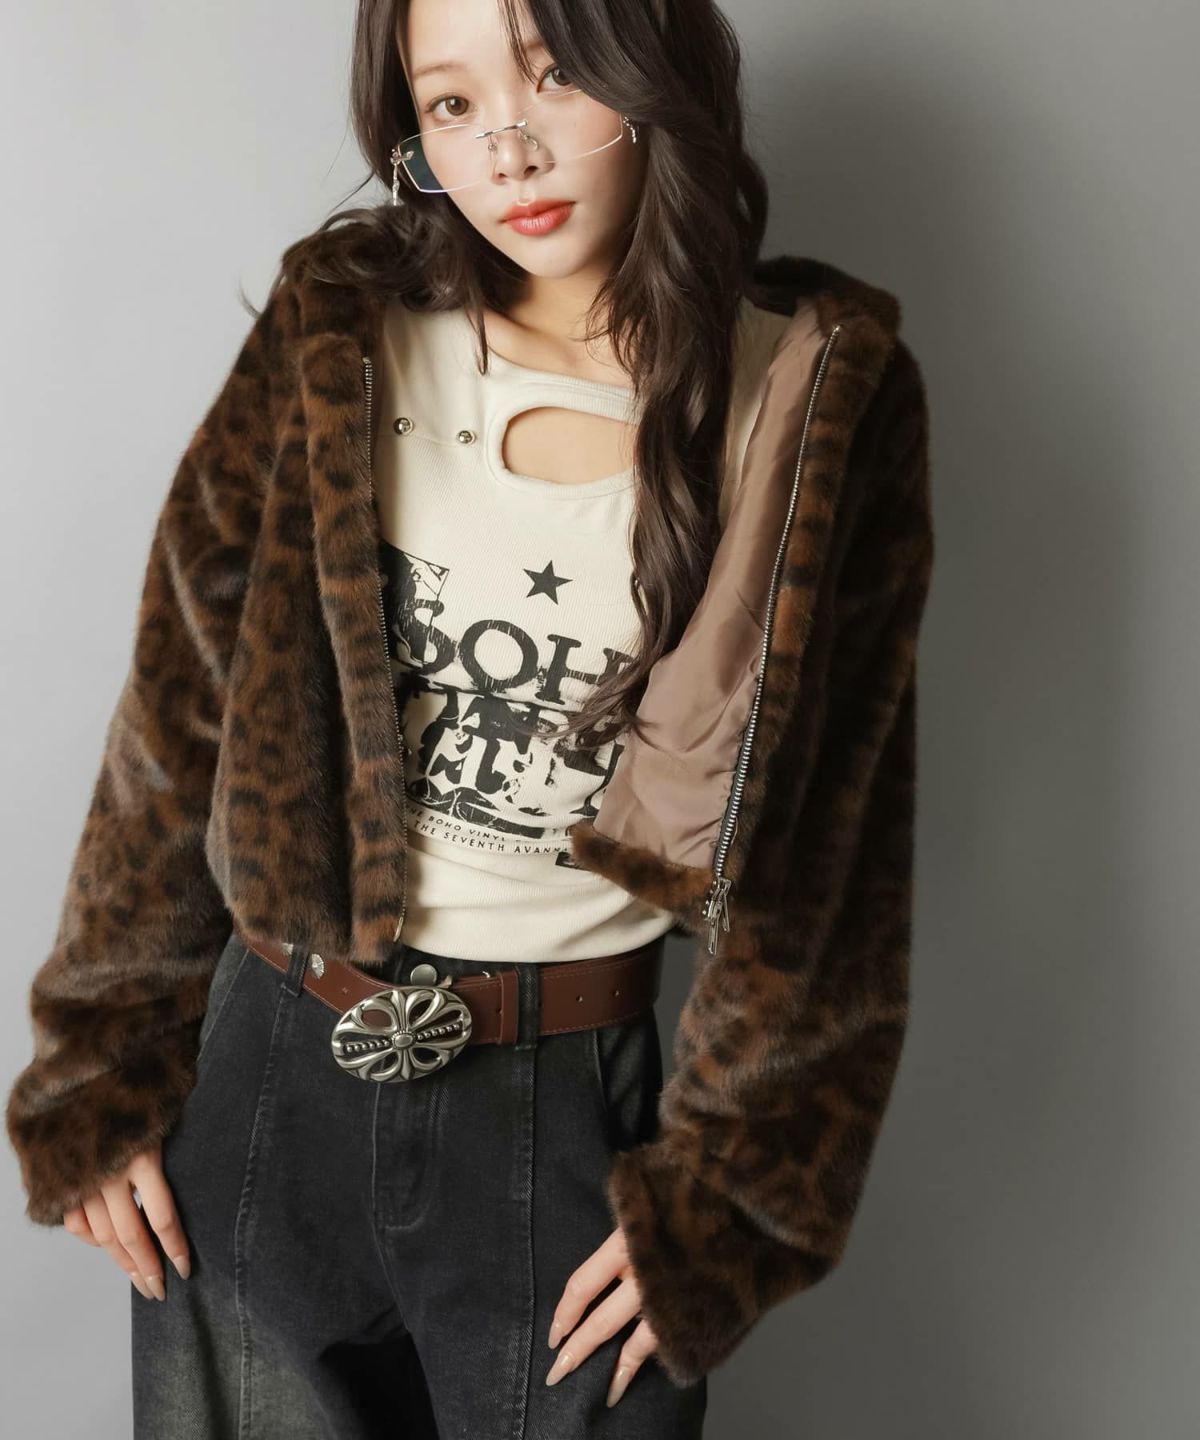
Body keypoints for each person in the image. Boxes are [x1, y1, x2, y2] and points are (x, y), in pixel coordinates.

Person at [4, 0, 935, 1436]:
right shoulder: (340, 331)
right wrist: (101, 1066)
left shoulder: (809, 406)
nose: (507, 147)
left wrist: (731, 1197)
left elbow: (834, 856)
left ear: (653, 71)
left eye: (552, 75)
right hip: (267, 1085)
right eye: (449, 105)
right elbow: (177, 713)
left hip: (564, 1108)